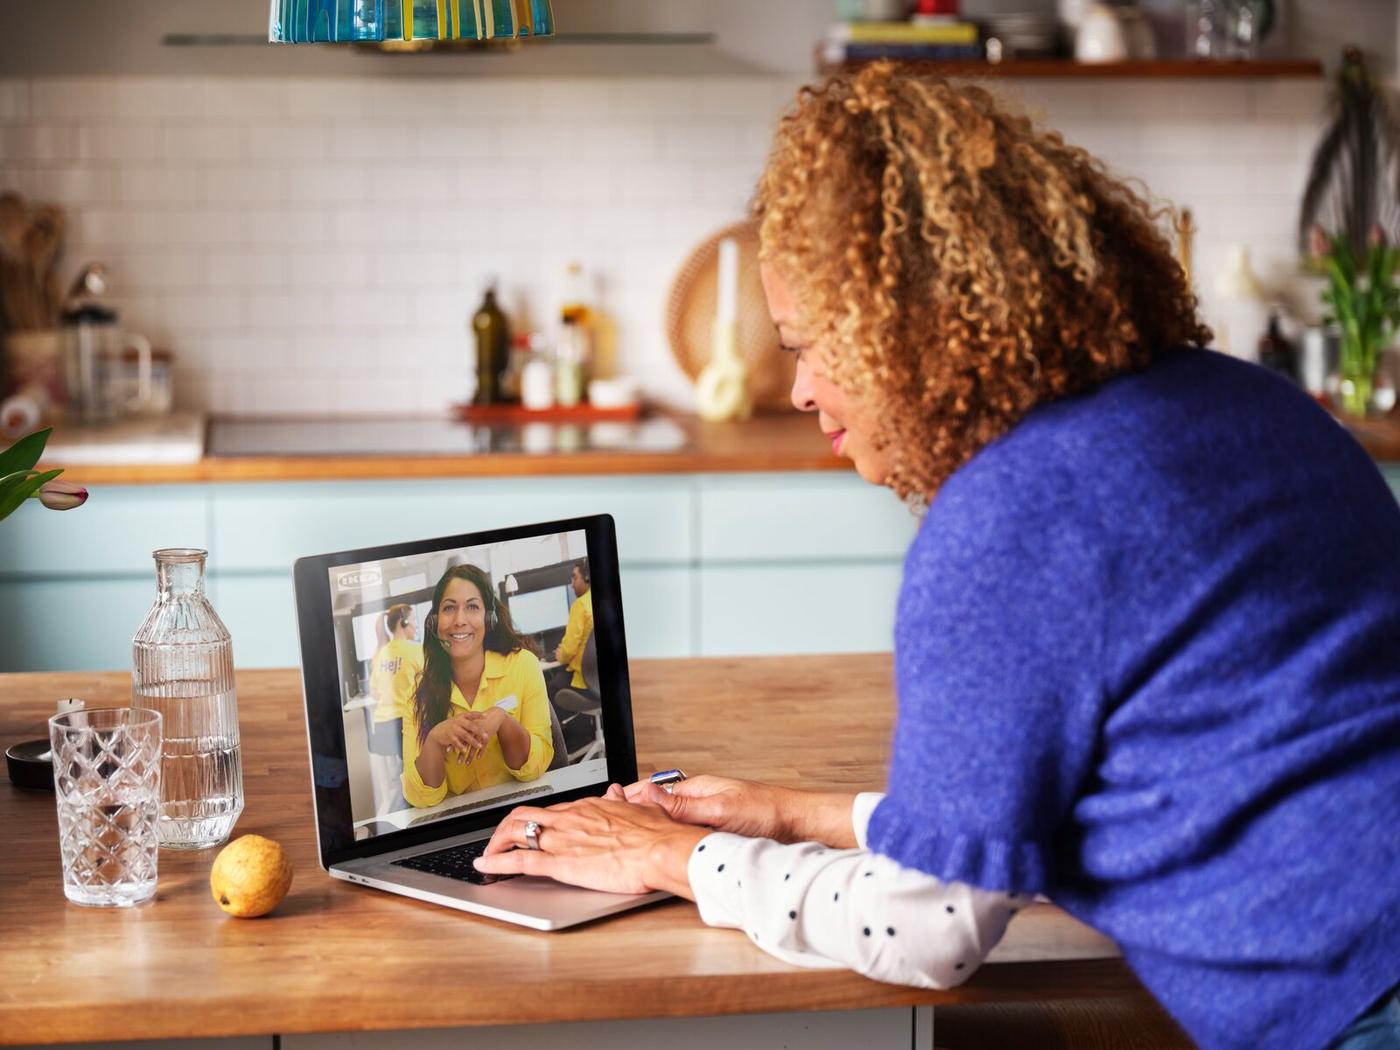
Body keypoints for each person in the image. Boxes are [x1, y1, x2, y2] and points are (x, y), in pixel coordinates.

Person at [474, 64, 1400, 1050]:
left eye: (806, 344)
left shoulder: (1010, 515)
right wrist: (786, 815)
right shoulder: (1239, 402)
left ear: (907, 332)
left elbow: (923, 927)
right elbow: (1126, 794)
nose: (795, 390)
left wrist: (667, 859)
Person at [401, 564, 553, 809]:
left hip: (522, 810)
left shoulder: (523, 665)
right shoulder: (418, 693)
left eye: (472, 607)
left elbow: (535, 768)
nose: (459, 620)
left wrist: (504, 721)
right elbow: (420, 797)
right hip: (459, 825)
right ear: (434, 622)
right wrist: (436, 739)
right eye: (449, 608)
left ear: (489, 617)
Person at [369, 604, 422, 725]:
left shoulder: (382, 652)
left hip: (381, 723)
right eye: (413, 620)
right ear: (404, 622)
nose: (415, 625)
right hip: (406, 721)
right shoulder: (416, 650)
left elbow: (374, 692)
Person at [549, 561, 593, 693]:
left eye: (575, 577)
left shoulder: (580, 605)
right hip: (600, 678)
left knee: (551, 687)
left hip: (585, 680)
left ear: (586, 578)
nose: (572, 584)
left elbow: (569, 651)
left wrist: (559, 654)